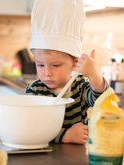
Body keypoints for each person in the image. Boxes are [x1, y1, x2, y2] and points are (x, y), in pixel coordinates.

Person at [25, 0, 109, 144]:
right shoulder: (35, 91)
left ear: (74, 64)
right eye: (40, 65)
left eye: (56, 65)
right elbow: (31, 128)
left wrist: (93, 73)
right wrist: (65, 136)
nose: (47, 73)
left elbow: (101, 100)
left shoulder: (81, 86)